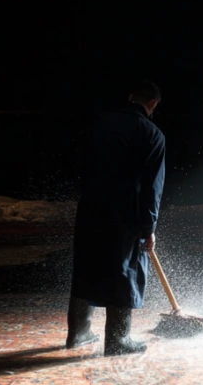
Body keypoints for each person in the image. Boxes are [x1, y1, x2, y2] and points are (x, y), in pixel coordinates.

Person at [65, 80, 166, 356]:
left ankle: (77, 333)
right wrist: (148, 227)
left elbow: (80, 164)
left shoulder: (100, 124)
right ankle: (118, 340)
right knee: (124, 268)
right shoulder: (152, 134)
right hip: (126, 211)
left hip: (91, 206)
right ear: (152, 104)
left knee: (87, 264)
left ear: (130, 97)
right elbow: (152, 188)